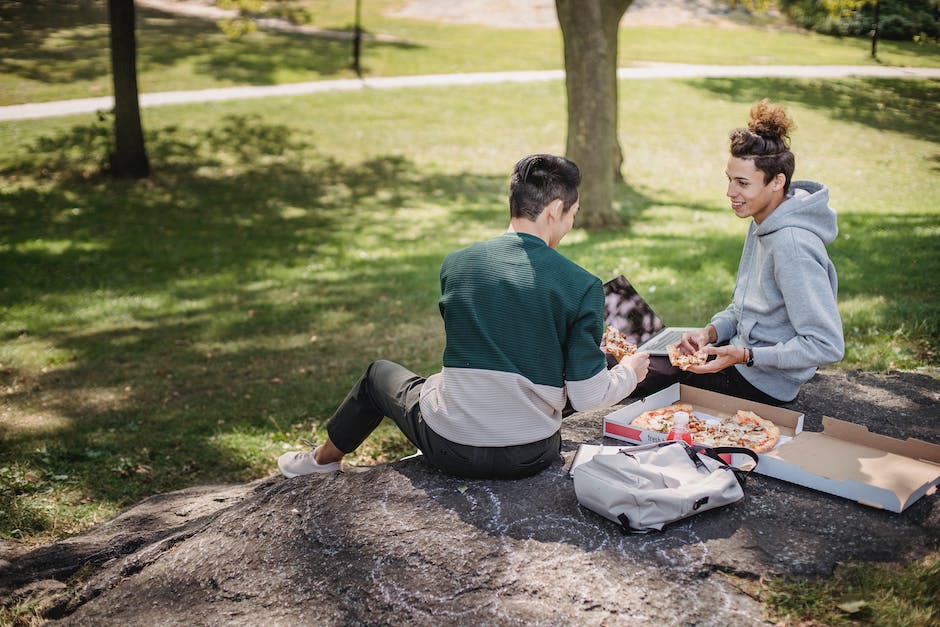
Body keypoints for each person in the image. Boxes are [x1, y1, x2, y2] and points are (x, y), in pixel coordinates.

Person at [278, 154, 650, 479]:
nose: (570, 224)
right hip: (532, 453)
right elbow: (587, 398)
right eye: (573, 213)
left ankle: (321, 461)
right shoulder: (581, 284)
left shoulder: (456, 264)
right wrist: (629, 373)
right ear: (555, 210)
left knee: (377, 375)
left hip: (448, 448)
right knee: (591, 369)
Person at [636, 99, 844, 405]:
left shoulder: (793, 246)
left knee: (629, 371)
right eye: (729, 179)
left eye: (742, 183)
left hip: (759, 386)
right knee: (631, 354)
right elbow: (745, 308)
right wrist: (709, 333)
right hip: (739, 362)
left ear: (777, 182)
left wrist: (745, 355)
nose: (730, 193)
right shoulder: (762, 219)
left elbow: (826, 344)